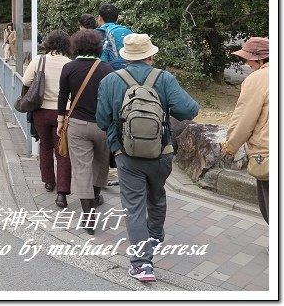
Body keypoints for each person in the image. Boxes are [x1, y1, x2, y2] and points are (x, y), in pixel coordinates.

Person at [96, 34, 199, 283]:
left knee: (134, 207)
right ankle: (154, 236)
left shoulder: (111, 80)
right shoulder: (164, 79)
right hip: (161, 153)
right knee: (156, 193)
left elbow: (101, 120)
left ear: (126, 57)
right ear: (150, 55)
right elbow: (190, 110)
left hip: (126, 155)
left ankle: (142, 265)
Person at [57, 29, 114, 235]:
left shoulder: (69, 68)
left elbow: (63, 97)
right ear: (98, 48)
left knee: (82, 169)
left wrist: (60, 121)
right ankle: (96, 197)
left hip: (78, 126)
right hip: (103, 126)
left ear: (76, 47)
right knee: (100, 166)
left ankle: (88, 218)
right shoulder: (107, 68)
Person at [23, 30, 73, 208]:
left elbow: (26, 81)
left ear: (49, 43)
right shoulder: (69, 63)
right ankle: (62, 193)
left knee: (45, 146)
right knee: (62, 151)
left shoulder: (39, 60)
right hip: (64, 113)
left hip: (41, 112)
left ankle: (48, 181)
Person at [222, 37, 269, 224]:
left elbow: (244, 119)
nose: (246, 63)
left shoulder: (257, 79)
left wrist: (230, 146)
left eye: (248, 58)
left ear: (260, 58)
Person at [96, 4, 132, 69]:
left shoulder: (94, 35)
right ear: (117, 19)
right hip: (129, 71)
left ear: (99, 18)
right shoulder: (127, 31)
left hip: (106, 72)